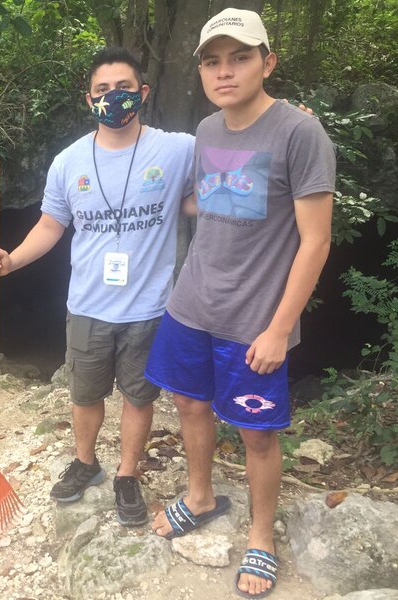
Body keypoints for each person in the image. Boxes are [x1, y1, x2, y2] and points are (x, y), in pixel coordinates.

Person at [145, 8, 335, 598]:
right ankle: (199, 495)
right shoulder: (206, 131)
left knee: (257, 434)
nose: (225, 71)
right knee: (190, 405)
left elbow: (316, 240)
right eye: (212, 61)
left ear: (267, 62)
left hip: (255, 319)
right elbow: (217, 200)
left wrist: (280, 328)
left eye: (240, 57)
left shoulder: (300, 133)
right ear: (201, 70)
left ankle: (260, 536)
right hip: (191, 304)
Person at [0, 46, 196, 527]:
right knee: (85, 394)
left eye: (123, 88)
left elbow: (231, 165)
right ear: (89, 99)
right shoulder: (68, 162)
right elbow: (50, 226)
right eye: (103, 90)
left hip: (149, 307)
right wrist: (10, 260)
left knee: (140, 397)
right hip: (88, 305)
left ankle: (126, 474)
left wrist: (285, 123)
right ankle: (86, 462)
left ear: (142, 93)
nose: (113, 97)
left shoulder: (177, 149)